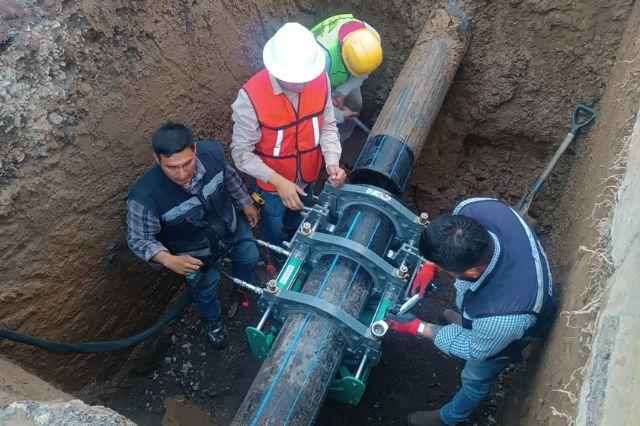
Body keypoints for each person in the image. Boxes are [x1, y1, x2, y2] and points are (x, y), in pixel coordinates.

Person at [389, 198, 557, 425]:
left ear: (471, 270)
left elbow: (475, 349)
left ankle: (449, 418)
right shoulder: (477, 209)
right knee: (478, 321)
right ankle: (468, 323)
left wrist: (418, 327)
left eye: (443, 268)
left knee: (474, 378)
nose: (440, 270)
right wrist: (429, 264)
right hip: (512, 292)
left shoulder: (503, 318)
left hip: (512, 330)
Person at [126, 123, 260, 350]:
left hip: (231, 229)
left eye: (187, 163)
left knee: (249, 257)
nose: (182, 173)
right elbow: (138, 239)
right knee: (206, 289)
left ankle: (242, 286)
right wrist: (169, 260)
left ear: (195, 150)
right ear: (157, 160)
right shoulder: (144, 197)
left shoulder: (212, 154)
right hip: (194, 254)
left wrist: (246, 202)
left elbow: (228, 177)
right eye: (172, 167)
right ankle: (212, 321)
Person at [231, 22, 347, 247]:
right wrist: (278, 182)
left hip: (307, 177)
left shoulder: (320, 79)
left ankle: (299, 244)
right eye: (295, 79)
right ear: (276, 69)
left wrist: (332, 161)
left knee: (300, 219)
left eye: (306, 76)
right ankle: (277, 255)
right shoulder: (250, 98)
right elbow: (241, 153)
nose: (303, 84)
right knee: (274, 226)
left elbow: (328, 126)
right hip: (272, 190)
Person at [311, 14, 383, 142]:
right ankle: (322, 145)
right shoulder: (320, 58)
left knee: (356, 104)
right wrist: (339, 115)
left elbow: (364, 73)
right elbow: (312, 103)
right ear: (341, 54)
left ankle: (341, 141)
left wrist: (341, 92)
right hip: (315, 81)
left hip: (339, 74)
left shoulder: (372, 40)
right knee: (322, 117)